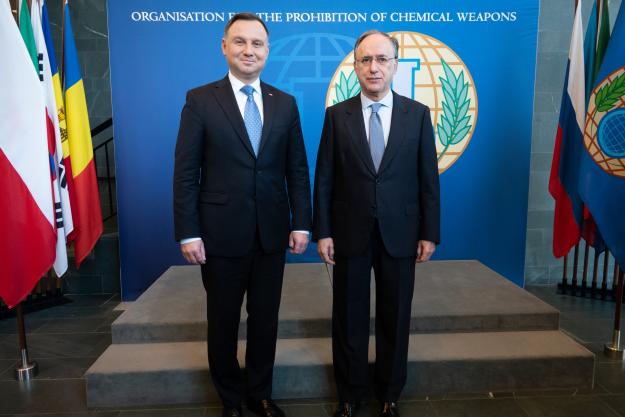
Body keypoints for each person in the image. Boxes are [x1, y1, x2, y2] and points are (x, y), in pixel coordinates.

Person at [173, 13, 311, 417]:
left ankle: (260, 394)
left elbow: (297, 169)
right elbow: (185, 172)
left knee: (265, 320)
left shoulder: (284, 103)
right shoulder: (200, 100)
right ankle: (231, 400)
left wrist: (301, 221)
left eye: (257, 43)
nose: (249, 50)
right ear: (224, 46)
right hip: (218, 235)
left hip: (271, 234)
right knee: (223, 322)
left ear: (268, 51)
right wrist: (188, 232)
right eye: (240, 42)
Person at [313, 30, 440, 417]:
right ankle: (349, 396)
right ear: (354, 66)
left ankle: (389, 395)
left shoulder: (417, 115)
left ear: (395, 65)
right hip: (349, 234)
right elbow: (324, 180)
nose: (374, 67)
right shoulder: (337, 116)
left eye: (382, 59)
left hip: (400, 234)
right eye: (365, 60)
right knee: (348, 318)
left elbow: (428, 181)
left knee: (395, 317)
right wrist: (323, 231)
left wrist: (429, 233)